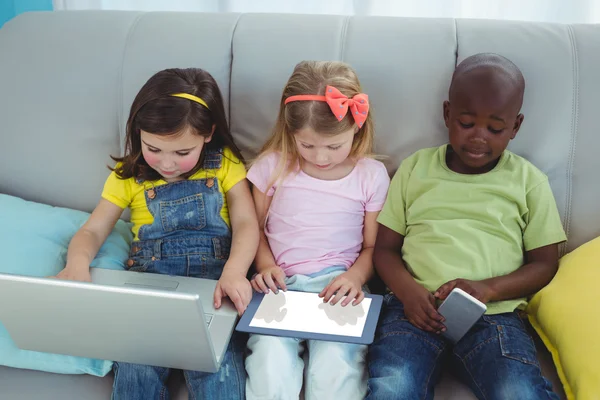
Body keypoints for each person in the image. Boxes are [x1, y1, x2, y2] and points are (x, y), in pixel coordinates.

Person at [366, 53, 567, 400]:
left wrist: (488, 289)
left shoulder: (528, 180)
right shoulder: (416, 168)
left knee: (518, 392)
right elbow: (384, 249)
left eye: (495, 128)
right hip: (414, 309)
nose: (478, 137)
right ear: (447, 114)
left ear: (515, 127)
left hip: (494, 315)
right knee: (394, 388)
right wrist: (409, 293)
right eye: (466, 122)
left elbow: (545, 263)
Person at [56, 68, 259, 400]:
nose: (167, 164)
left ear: (208, 133)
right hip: (148, 291)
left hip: (214, 290)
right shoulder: (129, 177)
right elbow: (92, 230)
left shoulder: (224, 163)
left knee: (219, 377)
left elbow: (247, 223)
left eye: (182, 152)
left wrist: (235, 272)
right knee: (136, 372)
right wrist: (77, 265)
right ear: (138, 132)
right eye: (153, 148)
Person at [244, 60, 390, 400]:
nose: (320, 157)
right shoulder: (272, 166)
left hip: (339, 286)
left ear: (357, 126)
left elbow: (372, 248)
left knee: (336, 370)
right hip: (280, 286)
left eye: (333, 146)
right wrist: (265, 266)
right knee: (269, 365)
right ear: (290, 132)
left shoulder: (370, 175)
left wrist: (354, 278)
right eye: (307, 146)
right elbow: (256, 231)